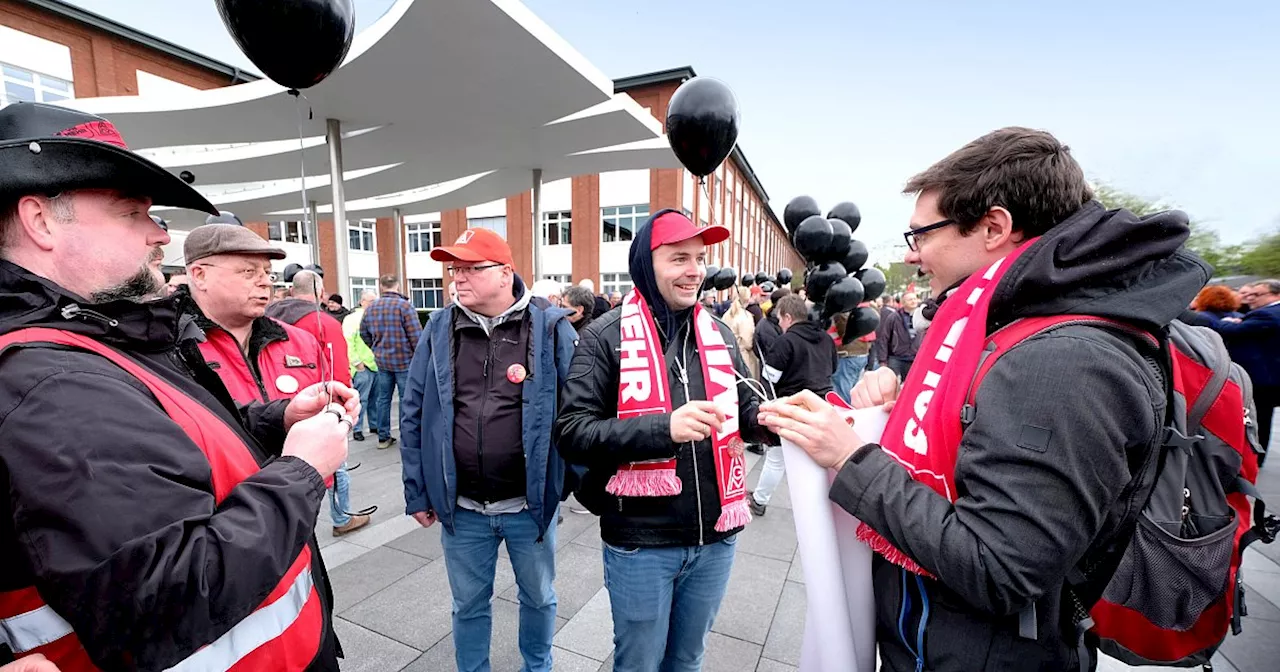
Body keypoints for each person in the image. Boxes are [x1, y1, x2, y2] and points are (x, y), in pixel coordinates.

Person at [758, 127, 1208, 671]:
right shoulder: (1008, 323)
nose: (914, 255)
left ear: (993, 227)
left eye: (921, 234)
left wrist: (852, 458)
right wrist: (908, 408)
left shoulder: (1063, 359)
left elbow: (1000, 567)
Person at [0, 102, 356, 670]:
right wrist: (303, 472)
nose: (159, 234)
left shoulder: (101, 337)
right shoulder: (52, 381)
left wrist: (275, 420)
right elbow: (162, 594)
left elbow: (175, 452)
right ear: (40, 221)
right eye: (131, 213)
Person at [554, 210, 776, 672]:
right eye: (679, 258)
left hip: (717, 537)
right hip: (642, 541)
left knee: (688, 660)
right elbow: (572, 431)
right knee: (638, 664)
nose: (695, 270)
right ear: (645, 265)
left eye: (699, 258)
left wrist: (768, 421)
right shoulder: (603, 336)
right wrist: (662, 430)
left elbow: (739, 411)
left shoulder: (718, 334)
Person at [401, 228, 577, 672]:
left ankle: (537, 666)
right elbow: (414, 411)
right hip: (462, 510)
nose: (457, 279)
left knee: (538, 597)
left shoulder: (549, 327)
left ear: (504, 273)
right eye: (453, 269)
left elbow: (576, 413)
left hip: (528, 507)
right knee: (468, 605)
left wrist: (567, 483)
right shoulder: (440, 327)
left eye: (470, 269)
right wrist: (417, 491)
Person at [182, 225, 372, 537]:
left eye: (268, 272)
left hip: (297, 499)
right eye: (248, 270)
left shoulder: (299, 341)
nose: (264, 281)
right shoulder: (168, 350)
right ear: (199, 275)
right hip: (215, 527)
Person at [751, 294, 838, 517]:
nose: (779, 324)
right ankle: (818, 508)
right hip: (822, 406)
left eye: (780, 319)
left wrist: (768, 409)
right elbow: (834, 369)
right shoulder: (826, 339)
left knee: (776, 458)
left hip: (792, 406)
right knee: (818, 462)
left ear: (788, 317)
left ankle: (760, 500)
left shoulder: (785, 341)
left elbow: (769, 379)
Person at [1205, 280, 1280, 460]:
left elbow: (1232, 330)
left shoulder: (1268, 314)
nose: (1250, 298)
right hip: (1268, 375)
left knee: (1257, 417)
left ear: (1276, 295)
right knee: (1261, 417)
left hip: (1261, 377)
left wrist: (1227, 321)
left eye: (1257, 295)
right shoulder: (1264, 313)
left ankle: (1252, 455)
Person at [361, 274, 423, 449]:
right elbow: (417, 337)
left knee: (383, 399)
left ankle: (383, 437)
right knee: (406, 400)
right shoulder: (405, 307)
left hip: (382, 361)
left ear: (381, 287)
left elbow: (363, 333)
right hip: (404, 361)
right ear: (397, 285)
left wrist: (375, 347)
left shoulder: (371, 308)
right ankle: (407, 436)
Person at [344, 289, 381, 441]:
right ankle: (357, 428)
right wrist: (357, 363)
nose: (374, 304)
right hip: (362, 365)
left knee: (375, 399)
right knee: (362, 400)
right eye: (371, 301)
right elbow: (347, 342)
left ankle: (374, 424)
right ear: (362, 301)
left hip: (376, 364)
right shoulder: (352, 319)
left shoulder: (376, 316)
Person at [873, 291, 921, 379]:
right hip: (896, 358)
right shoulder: (894, 317)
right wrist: (882, 360)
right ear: (903, 302)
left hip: (915, 357)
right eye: (910, 299)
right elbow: (884, 338)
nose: (913, 301)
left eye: (915, 299)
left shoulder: (922, 317)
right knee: (891, 384)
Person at [723, 286, 759, 379]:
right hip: (743, 357)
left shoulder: (727, 314)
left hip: (727, 354)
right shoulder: (745, 316)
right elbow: (748, 342)